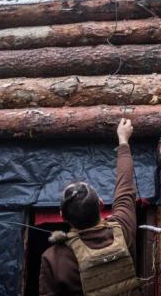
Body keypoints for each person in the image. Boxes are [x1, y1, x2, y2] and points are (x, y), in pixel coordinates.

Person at [39, 118, 141, 295]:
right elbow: (125, 187)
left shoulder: (53, 258)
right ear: (101, 204)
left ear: (62, 216)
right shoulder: (123, 228)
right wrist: (123, 141)